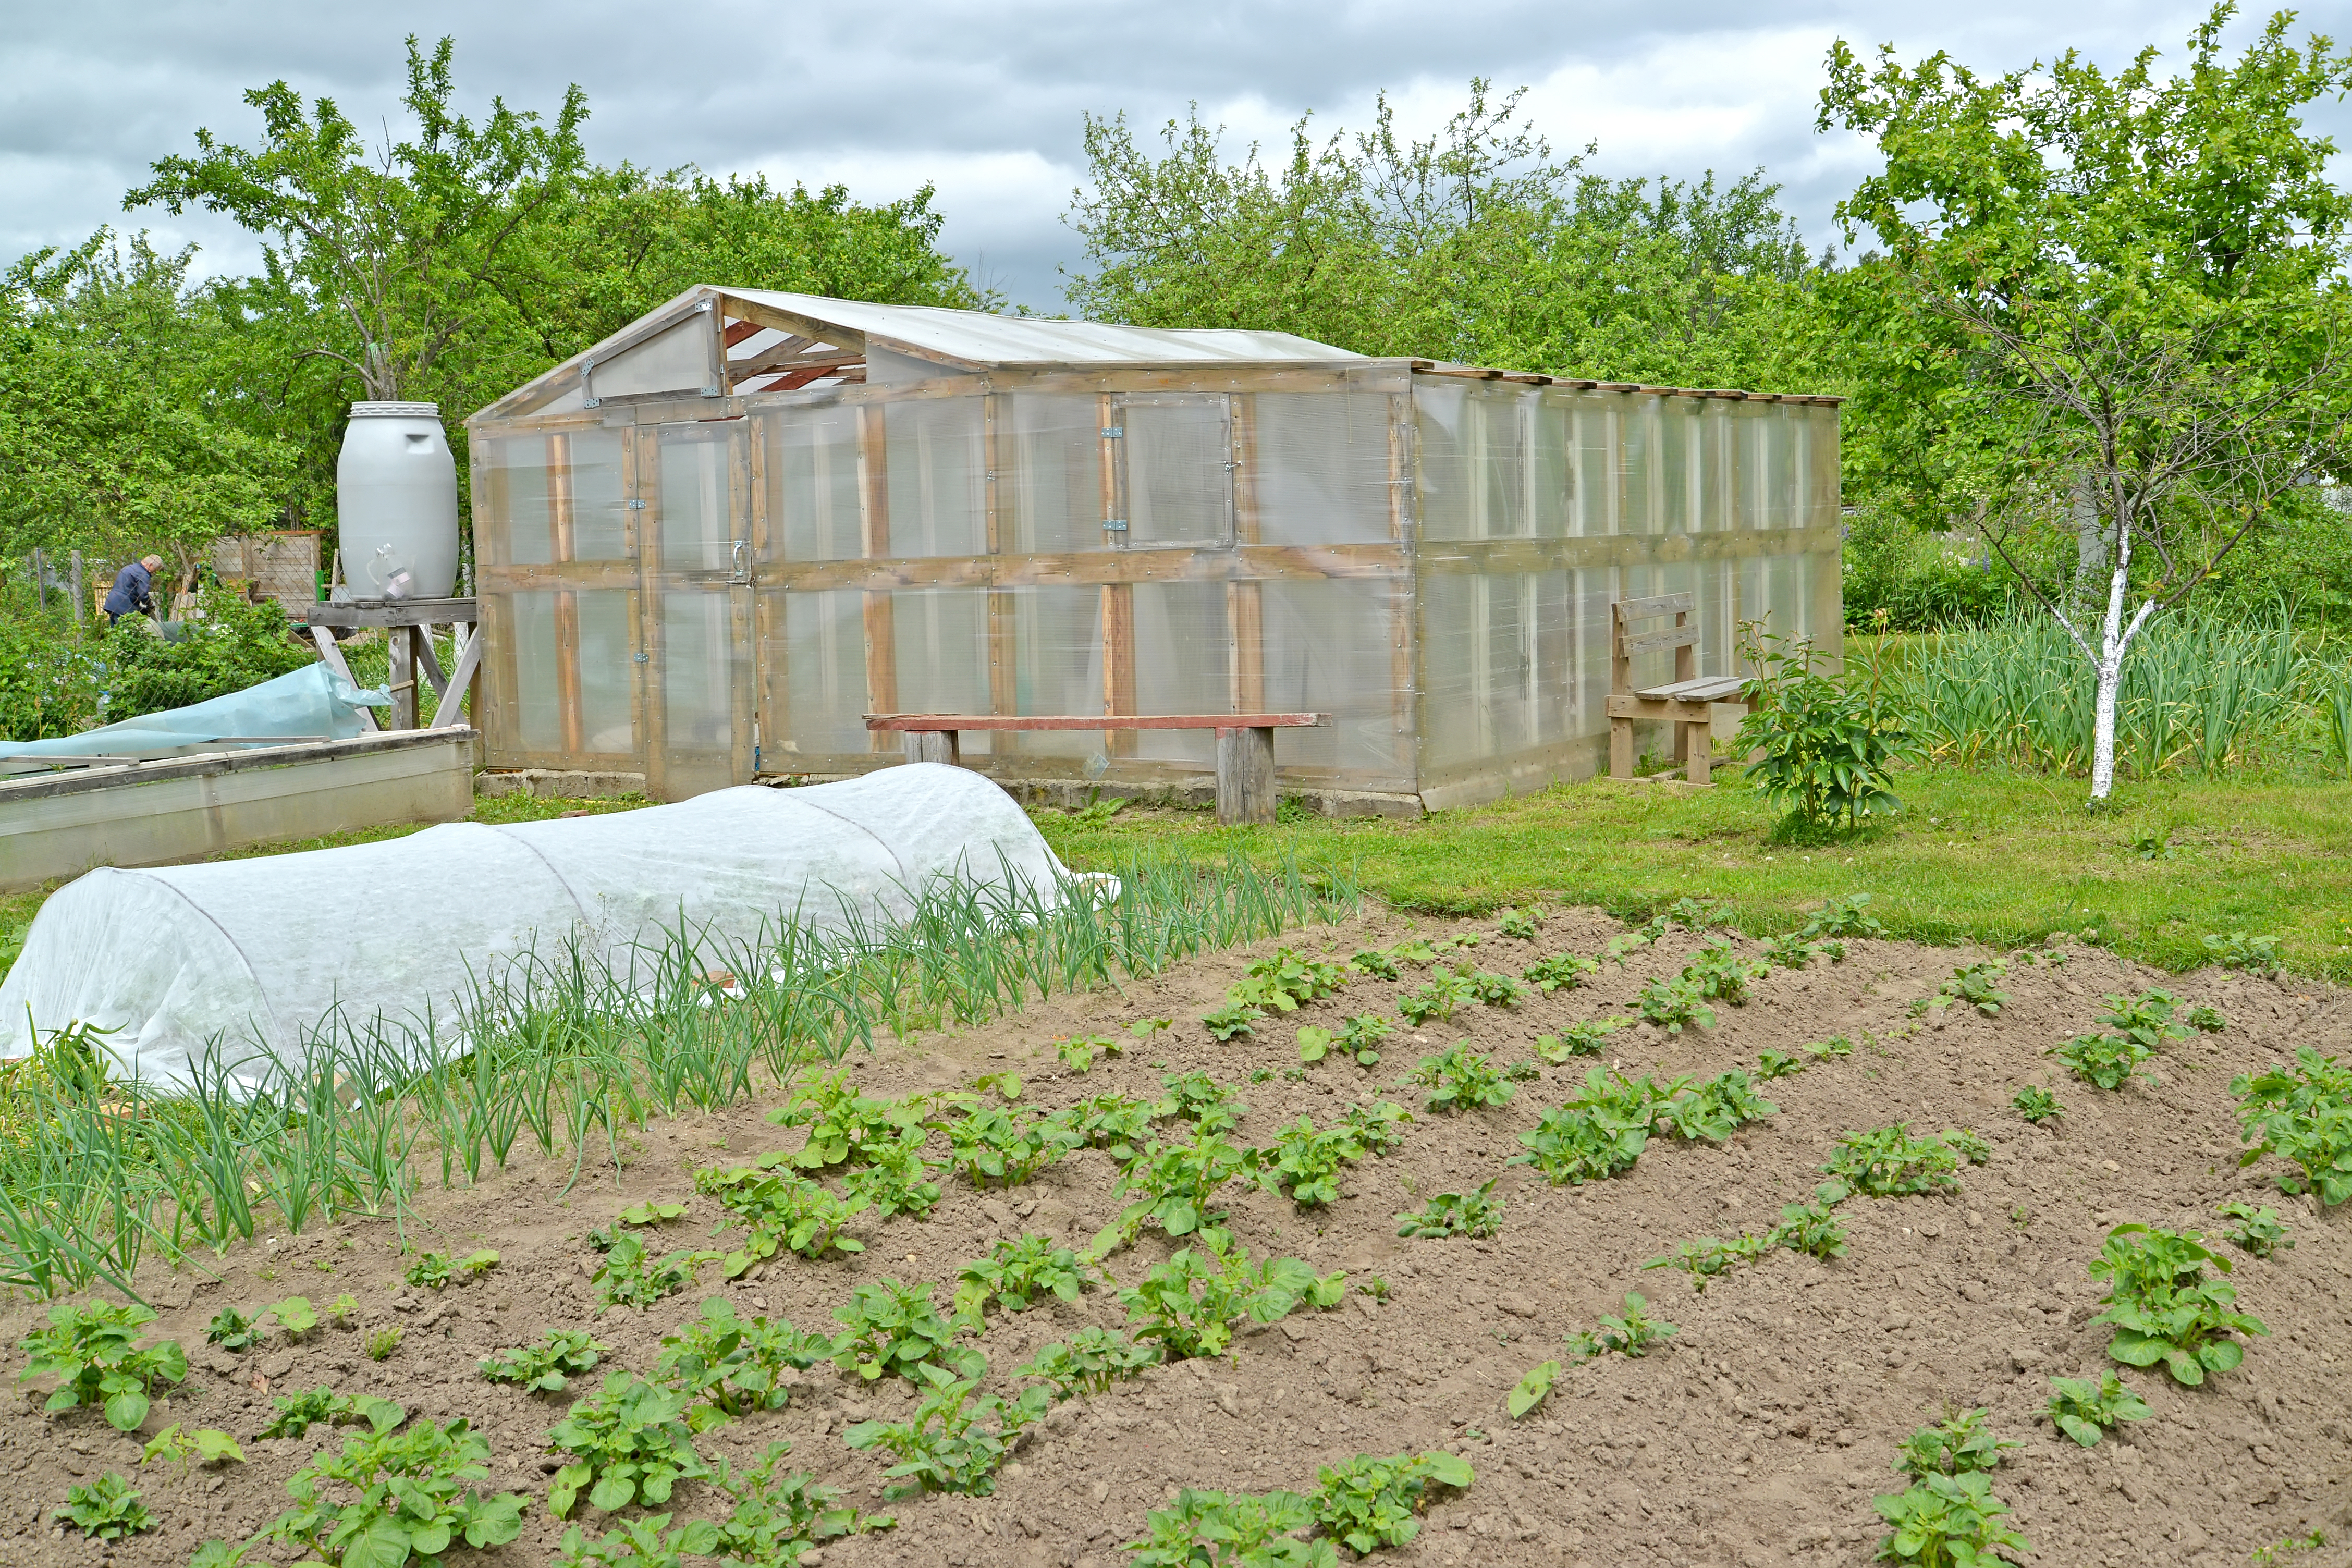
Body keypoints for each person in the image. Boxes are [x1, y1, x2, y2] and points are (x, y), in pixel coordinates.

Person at [103, 555, 164, 627]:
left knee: (116, 632)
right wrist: (150, 604)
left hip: (112, 602)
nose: (155, 572)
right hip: (124, 607)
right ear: (150, 565)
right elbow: (143, 595)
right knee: (127, 632)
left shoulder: (129, 568)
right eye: (156, 569)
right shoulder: (143, 574)